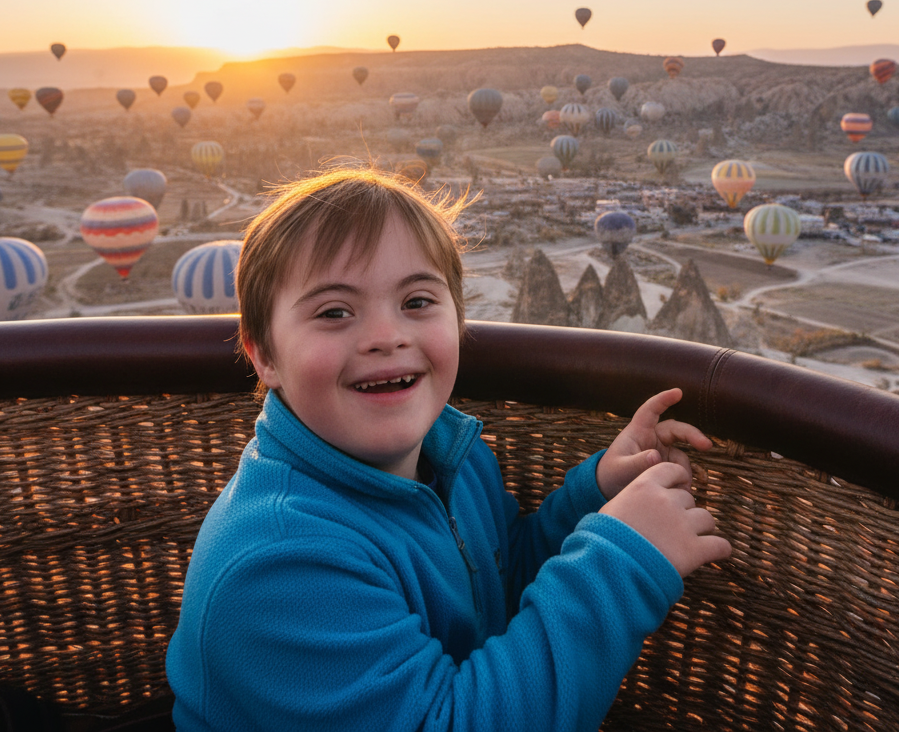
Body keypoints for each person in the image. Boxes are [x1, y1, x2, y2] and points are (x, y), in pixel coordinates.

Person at [166, 166, 732, 731]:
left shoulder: (452, 456)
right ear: (264, 355)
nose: (387, 336)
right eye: (334, 312)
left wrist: (601, 493)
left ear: (459, 320)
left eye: (417, 301)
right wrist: (623, 560)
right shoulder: (281, 563)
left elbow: (500, 583)